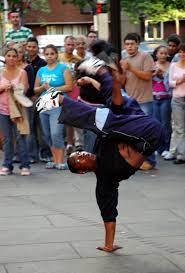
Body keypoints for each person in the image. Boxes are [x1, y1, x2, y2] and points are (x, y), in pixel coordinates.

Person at [36, 64, 163, 252]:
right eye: (79, 159)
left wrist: (113, 84)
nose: (82, 154)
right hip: (149, 136)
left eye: (79, 153)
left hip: (139, 124)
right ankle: (63, 97)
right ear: (83, 170)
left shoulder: (100, 144)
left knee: (112, 113)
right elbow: (108, 212)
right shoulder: (105, 179)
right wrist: (109, 244)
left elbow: (114, 108)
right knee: (105, 121)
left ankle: (103, 74)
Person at [120, 32, 156, 171]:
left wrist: (131, 68)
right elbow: (123, 80)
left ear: (137, 44)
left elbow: (147, 76)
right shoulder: (124, 57)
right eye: (127, 44)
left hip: (144, 100)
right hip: (130, 100)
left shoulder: (145, 56)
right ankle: (136, 160)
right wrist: (122, 72)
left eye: (132, 44)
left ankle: (150, 161)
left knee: (146, 132)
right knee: (132, 133)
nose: (129, 47)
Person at [34, 44, 73, 170]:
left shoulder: (63, 68)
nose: (50, 56)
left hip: (58, 103)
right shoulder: (41, 70)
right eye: (47, 54)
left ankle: (61, 161)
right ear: (44, 55)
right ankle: (54, 159)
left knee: (56, 132)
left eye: (52, 53)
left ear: (56, 54)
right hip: (44, 103)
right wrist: (42, 87)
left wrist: (52, 88)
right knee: (47, 134)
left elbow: (69, 87)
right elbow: (35, 89)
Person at [0, 48, 31, 176]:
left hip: (18, 110)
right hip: (3, 110)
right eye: (9, 56)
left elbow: (24, 89)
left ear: (17, 57)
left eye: (14, 56)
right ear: (5, 57)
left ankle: (25, 165)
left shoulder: (22, 72)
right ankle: (7, 165)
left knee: (21, 137)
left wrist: (15, 88)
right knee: (7, 139)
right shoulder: (0, 72)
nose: (11, 58)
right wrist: (2, 87)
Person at [26, 36, 52, 163]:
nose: (31, 49)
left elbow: (45, 81)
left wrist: (37, 95)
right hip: (26, 100)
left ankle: (46, 153)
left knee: (42, 128)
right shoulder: (24, 62)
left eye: (34, 47)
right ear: (26, 47)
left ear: (37, 48)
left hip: (40, 98)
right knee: (30, 128)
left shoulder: (42, 64)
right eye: (29, 46)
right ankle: (32, 155)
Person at [59, 35, 84, 154]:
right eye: (68, 44)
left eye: (72, 45)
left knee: (75, 117)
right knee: (66, 119)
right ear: (64, 45)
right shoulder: (58, 58)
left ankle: (78, 143)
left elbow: (81, 75)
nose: (70, 47)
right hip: (61, 90)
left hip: (74, 90)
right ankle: (68, 142)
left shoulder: (78, 59)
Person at [152, 46, 171, 156]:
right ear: (156, 54)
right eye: (161, 53)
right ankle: (158, 148)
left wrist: (163, 74)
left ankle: (167, 147)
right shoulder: (152, 65)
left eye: (165, 53)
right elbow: (147, 79)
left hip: (166, 98)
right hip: (154, 98)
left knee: (165, 124)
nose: (163, 55)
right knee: (156, 124)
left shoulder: (170, 66)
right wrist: (154, 74)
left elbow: (171, 81)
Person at [168, 43, 185, 164]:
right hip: (177, 100)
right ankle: (180, 154)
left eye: (184, 52)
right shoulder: (173, 65)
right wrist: (179, 81)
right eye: (181, 51)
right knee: (179, 128)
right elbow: (170, 83)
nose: (182, 54)